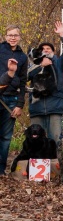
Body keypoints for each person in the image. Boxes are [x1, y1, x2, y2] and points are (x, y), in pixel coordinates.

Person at [28, 21, 63, 143]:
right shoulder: (32, 65)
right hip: (36, 108)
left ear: (53, 52)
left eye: (48, 49)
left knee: (56, 139)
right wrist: (40, 66)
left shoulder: (58, 63)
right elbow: (25, 76)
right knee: (36, 142)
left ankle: (57, 162)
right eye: (42, 49)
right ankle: (38, 163)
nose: (45, 50)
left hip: (55, 107)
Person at [0, 25, 28, 176]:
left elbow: (23, 82)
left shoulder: (23, 57)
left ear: (19, 37)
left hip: (12, 99)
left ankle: (1, 169)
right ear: (5, 36)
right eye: (10, 35)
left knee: (5, 137)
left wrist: (20, 104)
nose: (12, 37)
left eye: (15, 35)